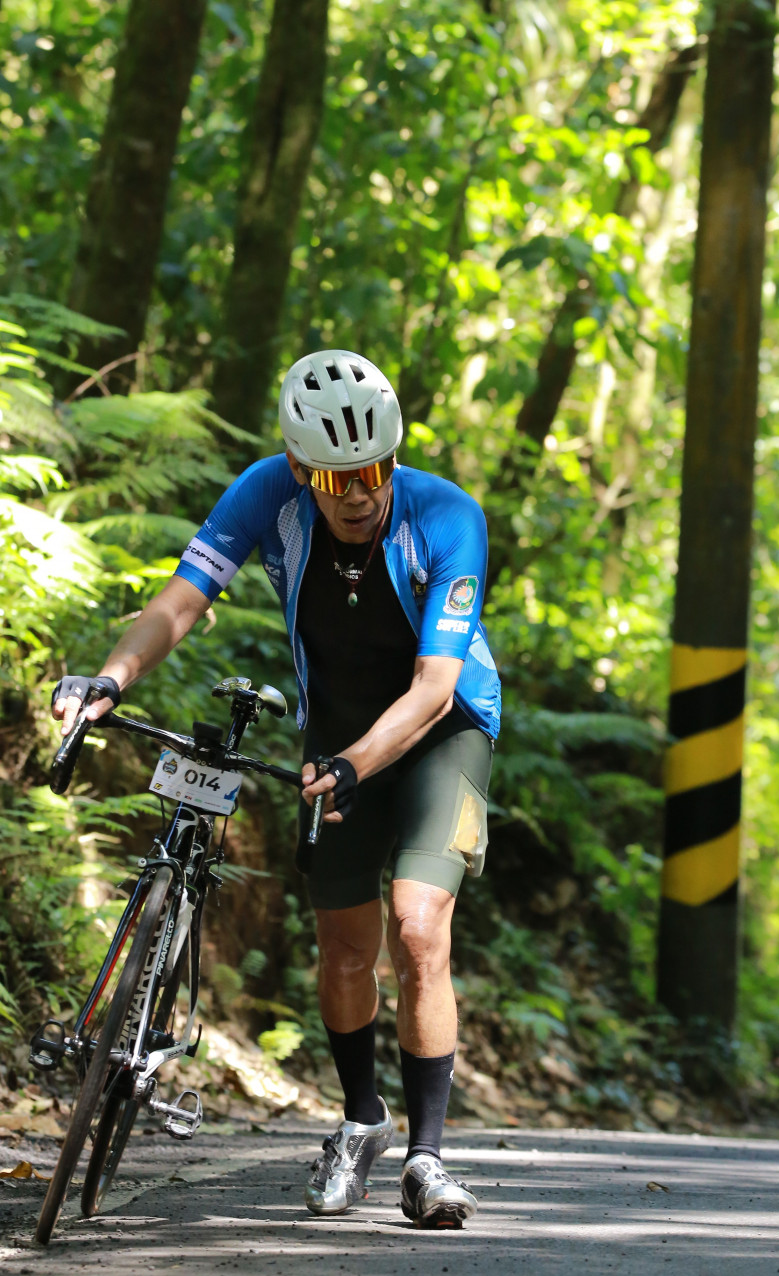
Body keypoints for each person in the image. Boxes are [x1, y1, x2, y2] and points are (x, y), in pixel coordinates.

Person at [52, 351, 501, 1229]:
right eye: (336, 478)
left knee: (417, 925)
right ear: (300, 467)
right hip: (335, 732)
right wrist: (110, 681)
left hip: (442, 728)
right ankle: (362, 1122)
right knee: (343, 947)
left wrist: (354, 764)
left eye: (375, 469)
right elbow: (184, 600)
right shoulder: (267, 494)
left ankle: (427, 1159)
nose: (359, 493)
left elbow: (434, 686)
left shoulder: (448, 516)